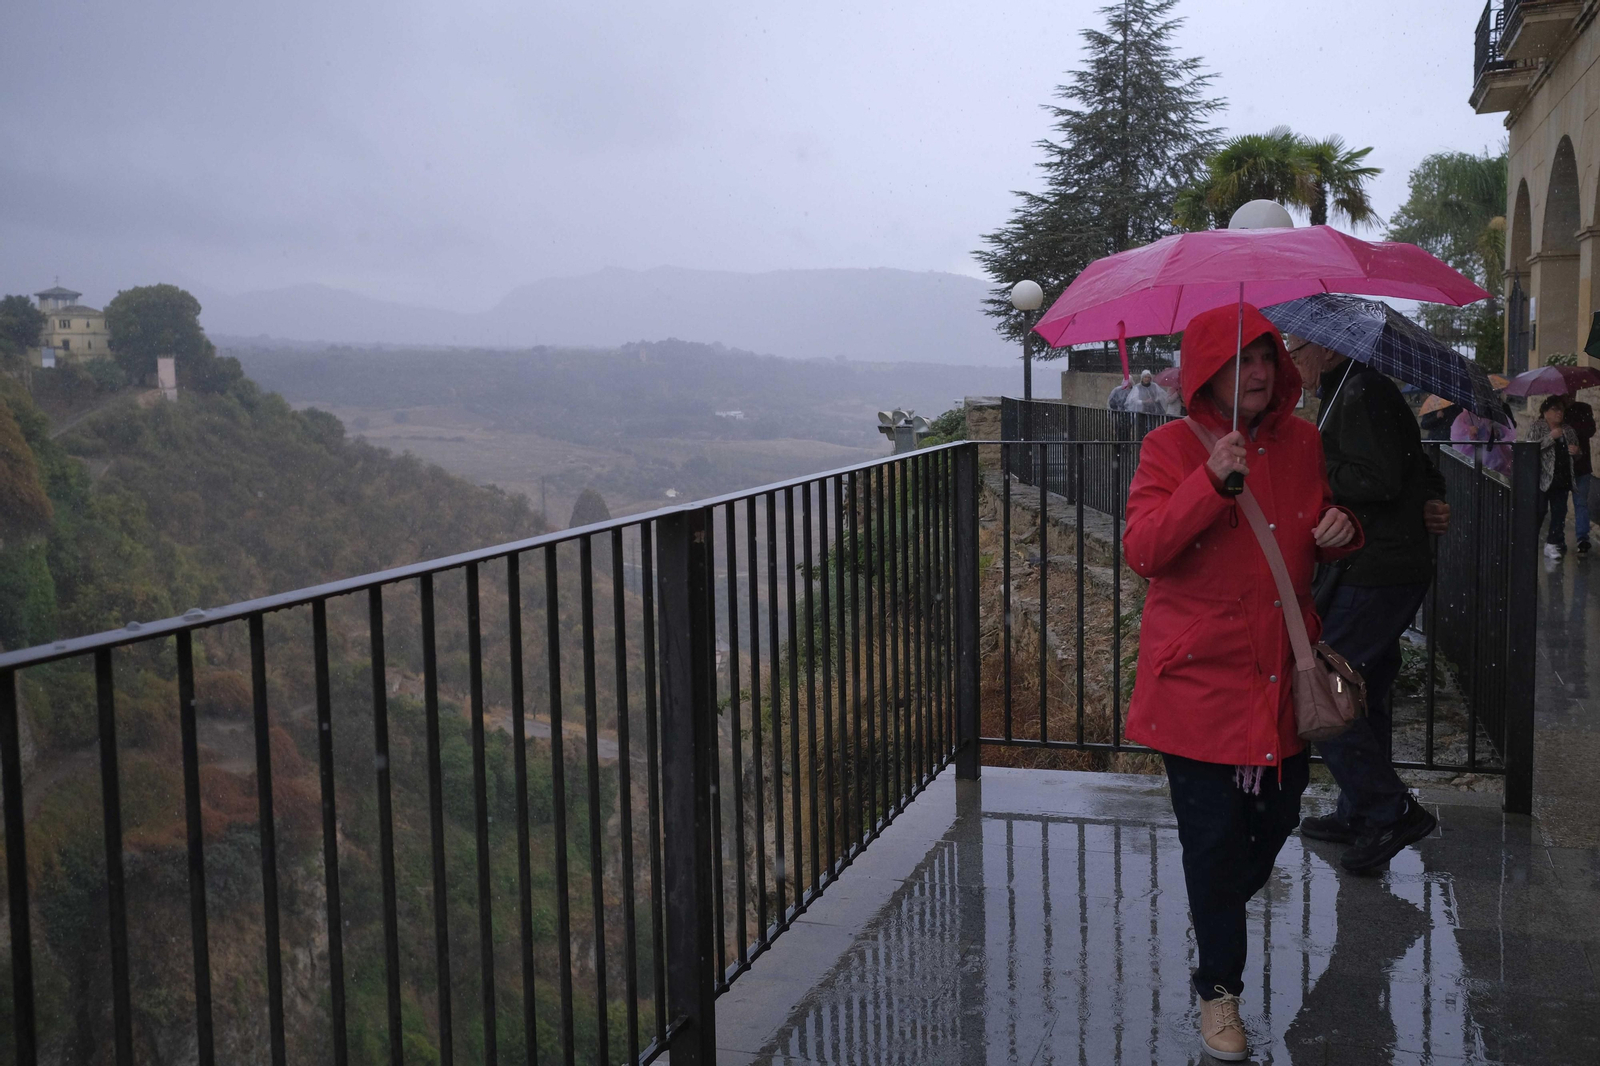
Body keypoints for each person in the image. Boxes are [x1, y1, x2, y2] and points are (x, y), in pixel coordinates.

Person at [1124, 303, 1359, 1062]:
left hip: (1280, 684)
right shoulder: (1168, 448)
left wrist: (1339, 532)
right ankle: (1218, 994)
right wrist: (1209, 482)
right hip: (1195, 689)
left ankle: (1216, 903)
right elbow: (1145, 550)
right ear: (1205, 372)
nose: (1259, 372)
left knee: (1274, 823)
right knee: (1213, 840)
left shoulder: (1302, 442)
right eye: (1241, 360)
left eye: (1266, 358)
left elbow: (1311, 527)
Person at [1287, 340, 1445, 875]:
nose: (1290, 360)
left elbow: (1379, 477)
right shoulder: (1348, 389)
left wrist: (1313, 462)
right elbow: (1417, 466)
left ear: (1327, 350)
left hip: (1379, 571)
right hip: (1378, 567)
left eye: (1294, 349)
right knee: (1364, 689)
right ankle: (1360, 812)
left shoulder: (1362, 392)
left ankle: (1389, 809)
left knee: (1324, 687)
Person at [1529, 396, 1581, 559]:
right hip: (1542, 478)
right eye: (1555, 409)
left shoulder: (1568, 430)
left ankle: (1552, 544)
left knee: (1559, 512)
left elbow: (1577, 454)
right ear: (1545, 412)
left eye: (1561, 409)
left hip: (1562, 478)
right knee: (1539, 511)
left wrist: (1577, 452)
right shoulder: (1537, 427)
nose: (1559, 413)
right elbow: (1529, 450)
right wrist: (1550, 437)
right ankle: (1529, 542)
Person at [1562, 392, 1594, 552]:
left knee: (1581, 503)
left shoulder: (1583, 409)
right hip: (1561, 468)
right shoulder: (1555, 410)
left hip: (1581, 467)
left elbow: (1590, 430)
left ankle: (1582, 539)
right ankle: (1556, 539)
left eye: (1572, 392)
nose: (1570, 396)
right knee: (1559, 505)